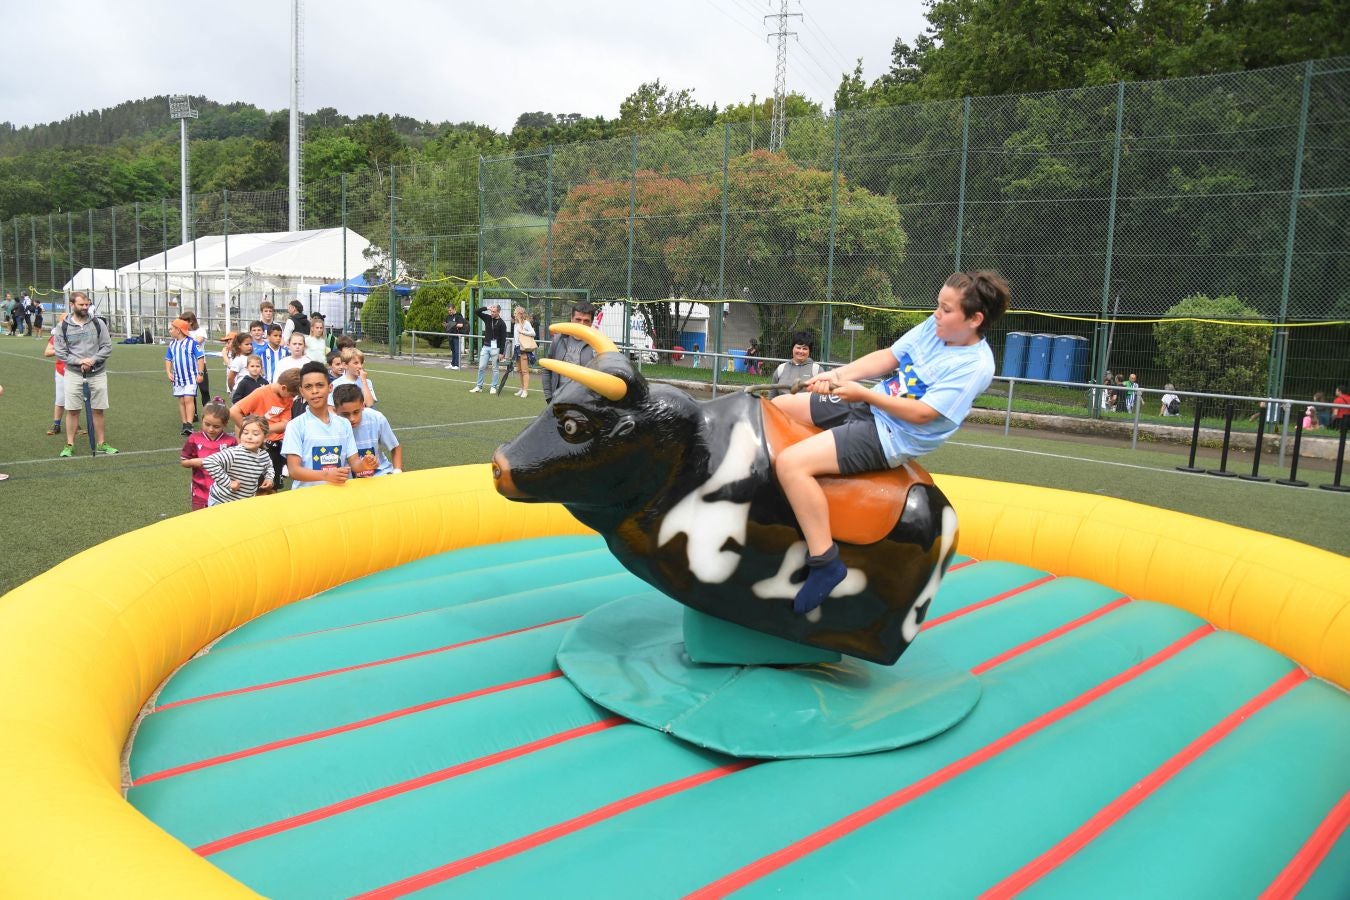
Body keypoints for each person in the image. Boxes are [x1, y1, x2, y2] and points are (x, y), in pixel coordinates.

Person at [771, 270, 1009, 615]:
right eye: (937, 306)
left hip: (890, 436)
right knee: (779, 407)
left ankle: (825, 562)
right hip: (867, 402)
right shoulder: (936, 328)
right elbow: (889, 356)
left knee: (792, 464)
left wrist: (864, 395)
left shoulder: (974, 366)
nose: (936, 315)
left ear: (974, 319)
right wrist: (837, 376)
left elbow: (924, 414)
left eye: (946, 310)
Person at [54, 291, 117, 456]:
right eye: (81, 305)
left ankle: (101, 443)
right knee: (73, 410)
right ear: (72, 304)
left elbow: (107, 347)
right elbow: (60, 352)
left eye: (87, 304)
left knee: (98, 409)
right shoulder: (63, 327)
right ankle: (69, 444)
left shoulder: (98, 323)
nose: (85, 307)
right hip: (73, 374)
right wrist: (79, 361)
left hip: (97, 373)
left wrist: (93, 360)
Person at [281, 362, 364, 488]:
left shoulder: (344, 424)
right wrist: (326, 475)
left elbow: (355, 464)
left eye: (320, 385)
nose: (314, 391)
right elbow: (294, 471)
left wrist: (366, 464)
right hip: (309, 499)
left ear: (330, 387)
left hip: (339, 496)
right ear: (301, 391)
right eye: (308, 387)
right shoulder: (295, 426)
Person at [230, 368, 300, 490]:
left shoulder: (287, 399)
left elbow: (285, 424)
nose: (292, 398)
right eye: (293, 394)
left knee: (272, 486)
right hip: (258, 448)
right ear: (284, 388)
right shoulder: (261, 393)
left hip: (275, 447)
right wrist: (250, 432)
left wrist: (263, 431)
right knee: (254, 486)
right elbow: (234, 411)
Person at [201, 415, 273, 506]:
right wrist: (229, 483)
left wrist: (269, 478)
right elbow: (209, 462)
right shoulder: (234, 453)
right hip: (221, 501)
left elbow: (269, 466)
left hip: (243, 502)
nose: (249, 437)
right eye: (245, 433)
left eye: (255, 434)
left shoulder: (264, 455)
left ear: (265, 437)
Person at [332, 384, 403, 477]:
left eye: (356, 412)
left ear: (363, 406)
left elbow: (395, 448)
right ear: (335, 411)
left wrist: (397, 472)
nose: (352, 418)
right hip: (348, 480)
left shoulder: (377, 418)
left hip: (379, 473)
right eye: (345, 414)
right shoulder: (329, 427)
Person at [180, 402, 237, 510]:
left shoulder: (231, 441)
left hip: (223, 493)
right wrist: (197, 462)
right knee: (199, 522)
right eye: (207, 424)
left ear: (225, 424)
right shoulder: (194, 438)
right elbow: (184, 461)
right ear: (202, 420)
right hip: (199, 492)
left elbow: (235, 466)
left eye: (216, 426)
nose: (211, 429)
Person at [542, 301, 597, 403]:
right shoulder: (558, 339)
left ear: (591, 322)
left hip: (584, 403)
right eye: (578, 319)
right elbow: (547, 369)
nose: (582, 324)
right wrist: (549, 397)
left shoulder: (597, 345)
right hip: (558, 399)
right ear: (571, 319)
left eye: (586, 321)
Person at [165, 318, 206, 436]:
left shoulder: (192, 343)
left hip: (191, 377)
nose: (170, 331)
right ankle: (184, 424)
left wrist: (200, 373)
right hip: (178, 378)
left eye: (171, 329)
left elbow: (200, 358)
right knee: (182, 400)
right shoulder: (172, 344)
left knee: (188, 399)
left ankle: (189, 424)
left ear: (178, 330)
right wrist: (168, 372)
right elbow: (168, 359)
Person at [178, 310, 212, 414]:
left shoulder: (200, 330)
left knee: (204, 390)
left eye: (184, 322)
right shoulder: (183, 332)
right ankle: (193, 414)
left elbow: (198, 341)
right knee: (190, 391)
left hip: (200, 364)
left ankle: (208, 413)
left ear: (191, 321)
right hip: (188, 365)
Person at [470, 303, 508, 394]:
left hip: (496, 349)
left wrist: (501, 353)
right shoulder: (487, 318)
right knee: (481, 367)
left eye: (494, 312)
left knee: (495, 368)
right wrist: (486, 308)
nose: (492, 313)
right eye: (491, 311)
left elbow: (503, 339)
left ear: (498, 312)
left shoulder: (502, 323)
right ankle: (479, 386)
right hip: (486, 347)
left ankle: (493, 387)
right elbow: (476, 311)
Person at [43, 319, 69, 436]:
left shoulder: (79, 334)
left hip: (78, 371)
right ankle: (56, 424)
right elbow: (47, 352)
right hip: (61, 371)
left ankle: (75, 424)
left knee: (77, 399)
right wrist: (60, 349)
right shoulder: (57, 336)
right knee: (60, 399)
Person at [509, 306, 537, 398]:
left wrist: (523, 331)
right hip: (517, 349)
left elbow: (533, 333)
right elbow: (515, 339)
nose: (514, 315)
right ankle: (522, 388)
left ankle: (525, 390)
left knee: (525, 371)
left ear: (520, 314)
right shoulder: (516, 324)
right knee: (520, 370)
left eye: (515, 313)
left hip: (524, 349)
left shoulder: (526, 323)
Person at [225, 332, 254, 396]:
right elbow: (230, 378)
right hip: (241, 392)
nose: (250, 346)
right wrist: (234, 391)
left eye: (251, 344)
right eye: (247, 344)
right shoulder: (238, 359)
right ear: (239, 345)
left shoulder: (252, 358)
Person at [443, 305, 468, 369]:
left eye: (450, 310)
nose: (449, 312)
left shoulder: (458, 315)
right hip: (450, 335)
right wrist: (446, 325)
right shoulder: (448, 316)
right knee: (453, 350)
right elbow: (445, 323)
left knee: (457, 350)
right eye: (448, 310)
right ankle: (453, 363)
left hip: (457, 335)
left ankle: (457, 365)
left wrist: (452, 324)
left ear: (454, 309)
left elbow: (461, 325)